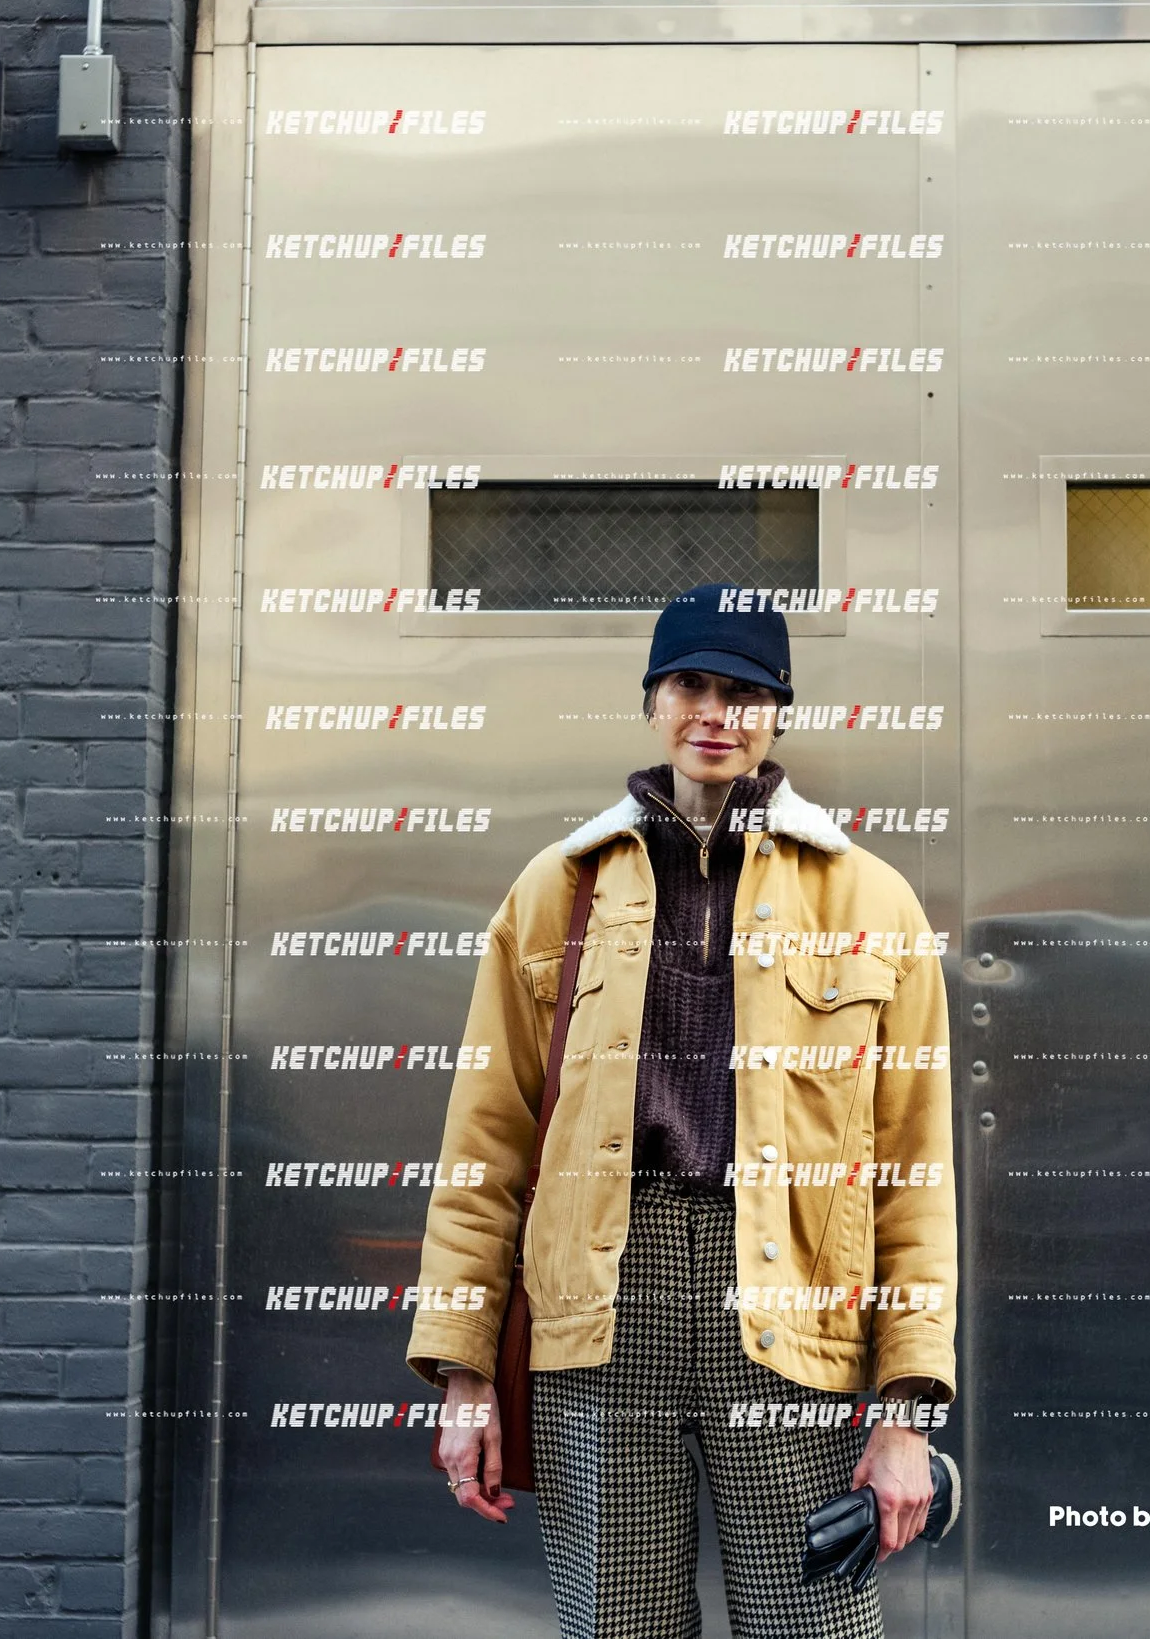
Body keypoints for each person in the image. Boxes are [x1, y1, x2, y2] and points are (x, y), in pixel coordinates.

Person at [407, 584, 957, 1639]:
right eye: (691, 683)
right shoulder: (554, 889)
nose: (715, 710)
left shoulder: (870, 899)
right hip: (603, 1302)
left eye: (744, 690)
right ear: (654, 699)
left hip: (790, 1312)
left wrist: (903, 1412)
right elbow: (484, 1143)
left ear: (778, 712)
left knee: (814, 1626)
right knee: (619, 1625)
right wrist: (466, 1373)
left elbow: (914, 1173)